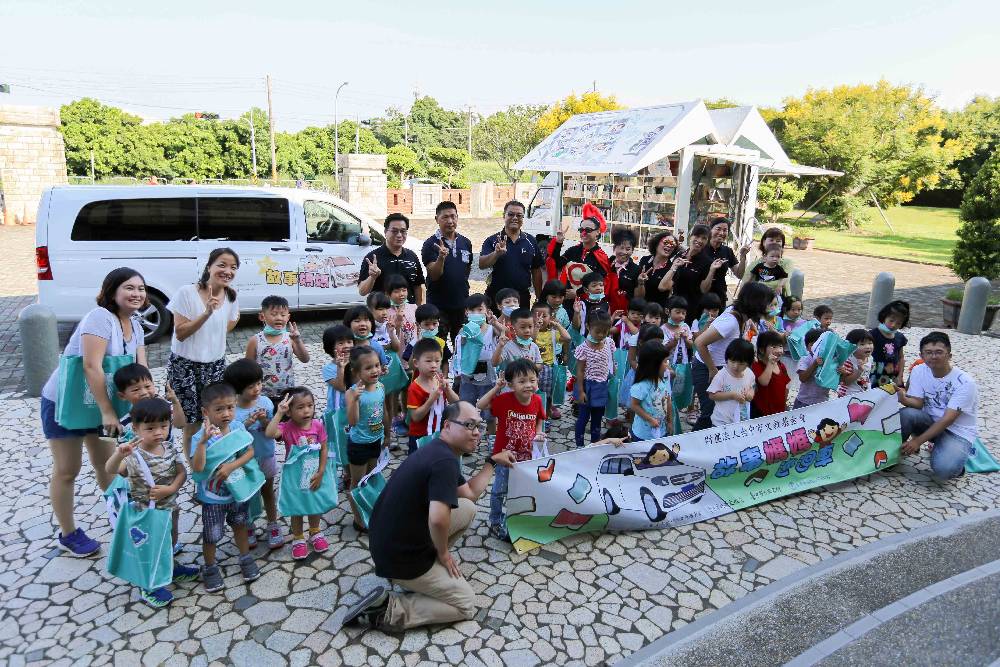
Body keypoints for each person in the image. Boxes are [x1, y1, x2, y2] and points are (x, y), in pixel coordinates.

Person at [344, 401, 516, 631]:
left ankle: (426, 574)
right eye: (468, 425)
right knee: (466, 604)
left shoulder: (440, 450)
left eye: (479, 426)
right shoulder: (444, 461)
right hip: (400, 559)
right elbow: (437, 518)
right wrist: (444, 554)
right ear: (446, 425)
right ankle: (390, 609)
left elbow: (469, 494)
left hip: (391, 544)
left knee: (466, 508)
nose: (476, 432)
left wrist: (492, 462)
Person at [40, 267, 150, 556]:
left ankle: (121, 521)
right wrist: (107, 411)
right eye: (129, 287)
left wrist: (150, 400)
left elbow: (141, 371)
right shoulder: (99, 318)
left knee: (108, 465)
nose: (136, 293)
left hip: (105, 406)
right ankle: (68, 533)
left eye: (141, 288)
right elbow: (91, 366)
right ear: (112, 291)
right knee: (67, 470)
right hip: (67, 402)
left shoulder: (136, 326)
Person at [104, 397, 198, 607]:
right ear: (136, 429)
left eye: (163, 426)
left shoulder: (170, 448)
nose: (158, 432)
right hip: (145, 513)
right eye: (150, 428)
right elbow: (111, 470)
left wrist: (172, 488)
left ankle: (170, 567)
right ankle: (149, 585)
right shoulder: (134, 455)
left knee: (170, 540)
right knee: (150, 546)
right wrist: (119, 454)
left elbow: (182, 472)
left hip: (169, 508)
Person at [168, 248, 241, 454]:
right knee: (190, 423)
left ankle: (213, 457)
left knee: (214, 416)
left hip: (215, 365)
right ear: (209, 266)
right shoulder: (186, 293)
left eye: (233, 267)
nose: (228, 271)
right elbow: (180, 333)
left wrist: (214, 332)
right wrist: (207, 313)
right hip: (185, 366)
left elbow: (232, 320)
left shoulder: (231, 296)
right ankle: (194, 466)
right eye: (222, 265)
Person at [189, 383, 260, 592]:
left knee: (241, 525)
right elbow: (198, 467)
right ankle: (210, 567)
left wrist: (232, 466)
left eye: (230, 407)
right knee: (211, 534)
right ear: (205, 412)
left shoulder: (237, 427)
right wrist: (202, 442)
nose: (226, 413)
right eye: (219, 409)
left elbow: (249, 452)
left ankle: (245, 558)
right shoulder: (199, 437)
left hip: (237, 491)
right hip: (213, 498)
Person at [476, 359, 546, 542]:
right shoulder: (504, 400)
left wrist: (538, 433)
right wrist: (496, 388)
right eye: (522, 381)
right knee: (499, 491)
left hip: (527, 458)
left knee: (521, 491)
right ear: (510, 385)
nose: (528, 385)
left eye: (532, 380)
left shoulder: (538, 401)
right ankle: (495, 521)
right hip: (504, 458)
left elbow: (539, 419)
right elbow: (480, 405)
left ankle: (517, 519)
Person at [898, 332, 979, 481]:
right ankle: (892, 456)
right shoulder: (919, 370)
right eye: (928, 352)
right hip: (929, 422)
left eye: (939, 352)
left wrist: (917, 441)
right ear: (921, 355)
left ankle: (957, 462)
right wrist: (903, 398)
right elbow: (917, 403)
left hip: (956, 432)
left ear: (949, 355)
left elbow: (948, 420)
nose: (933, 356)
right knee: (905, 414)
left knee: (944, 470)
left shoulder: (965, 383)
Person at [691, 282, 772, 429]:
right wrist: (712, 369)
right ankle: (691, 446)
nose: (770, 308)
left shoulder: (743, 316)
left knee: (723, 410)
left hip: (725, 366)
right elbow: (699, 342)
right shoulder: (731, 321)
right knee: (710, 413)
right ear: (756, 303)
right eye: (768, 304)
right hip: (707, 367)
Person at [223, 359, 283, 550]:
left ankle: (273, 523)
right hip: (244, 462)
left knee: (268, 491)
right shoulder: (233, 410)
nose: (257, 389)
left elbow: (271, 431)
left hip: (265, 454)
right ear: (237, 389)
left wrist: (265, 420)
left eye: (259, 383)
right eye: (251, 386)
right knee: (247, 494)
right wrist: (246, 424)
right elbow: (234, 438)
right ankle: (249, 526)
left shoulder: (265, 402)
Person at [265, 388, 331, 559]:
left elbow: (324, 448)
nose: (307, 410)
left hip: (314, 473)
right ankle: (298, 537)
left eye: (310, 405)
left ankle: (315, 531)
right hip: (295, 477)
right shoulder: (286, 428)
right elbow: (269, 433)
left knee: (314, 503)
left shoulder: (318, 425)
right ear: (290, 411)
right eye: (300, 407)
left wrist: (321, 471)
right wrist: (279, 413)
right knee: (297, 507)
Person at [344, 346, 385, 531]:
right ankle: (358, 519)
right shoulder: (352, 393)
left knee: (371, 478)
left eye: (377, 365)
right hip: (359, 444)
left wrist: (388, 434)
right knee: (357, 482)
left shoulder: (381, 386)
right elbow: (352, 421)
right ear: (356, 372)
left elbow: (384, 411)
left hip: (376, 440)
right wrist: (354, 401)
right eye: (368, 368)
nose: (375, 370)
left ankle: (370, 510)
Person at [421, 201, 473, 343]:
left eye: (453, 216)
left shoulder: (466, 242)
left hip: (461, 306)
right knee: (438, 348)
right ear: (437, 219)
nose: (450, 221)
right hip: (439, 307)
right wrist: (441, 258)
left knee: (462, 347)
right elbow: (434, 275)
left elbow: (465, 271)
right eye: (445, 217)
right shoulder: (430, 244)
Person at [244, 295, 309, 407]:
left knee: (284, 420)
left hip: (287, 391)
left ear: (288, 317)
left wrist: (298, 341)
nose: (279, 318)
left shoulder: (290, 338)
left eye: (283, 315)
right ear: (262, 316)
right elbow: (247, 369)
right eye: (274, 314)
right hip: (262, 394)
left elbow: (305, 359)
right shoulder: (255, 340)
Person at [479, 201, 544, 309]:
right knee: (495, 326)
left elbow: (536, 270)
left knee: (521, 326)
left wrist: (538, 298)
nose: (515, 218)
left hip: (521, 298)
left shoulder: (531, 241)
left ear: (523, 218)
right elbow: (482, 264)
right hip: (496, 297)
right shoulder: (493, 240)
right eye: (510, 214)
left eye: (519, 215)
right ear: (503, 216)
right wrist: (496, 253)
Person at [549, 204, 618, 305]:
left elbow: (600, 283)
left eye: (588, 230)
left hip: (589, 303)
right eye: (581, 230)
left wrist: (577, 293)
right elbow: (557, 264)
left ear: (597, 232)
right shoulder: (573, 250)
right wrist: (558, 243)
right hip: (568, 302)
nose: (584, 233)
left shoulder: (601, 257)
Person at [456, 295, 505, 432]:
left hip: (488, 376)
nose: (476, 314)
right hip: (468, 377)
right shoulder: (463, 330)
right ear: (466, 312)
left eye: (479, 309)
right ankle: (468, 435)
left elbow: (504, 333)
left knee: (490, 411)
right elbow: (459, 352)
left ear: (487, 311)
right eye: (472, 311)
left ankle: (491, 435)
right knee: (467, 407)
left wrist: (495, 323)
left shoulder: (491, 329)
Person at [358, 213, 425, 305]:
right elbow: (362, 291)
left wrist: (418, 310)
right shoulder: (373, 258)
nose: (399, 235)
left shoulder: (412, 256)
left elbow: (418, 286)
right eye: (394, 231)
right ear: (385, 232)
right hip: (383, 314)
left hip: (407, 313)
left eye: (403, 231)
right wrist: (372, 277)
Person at [407, 338, 459, 453]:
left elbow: (456, 402)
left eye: (437, 361)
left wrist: (448, 389)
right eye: (429, 361)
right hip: (420, 436)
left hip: (440, 433)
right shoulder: (414, 388)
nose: (434, 365)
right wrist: (431, 400)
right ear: (416, 363)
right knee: (419, 467)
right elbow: (415, 417)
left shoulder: (438, 380)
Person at [574, 311, 616, 448]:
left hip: (602, 385)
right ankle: (579, 446)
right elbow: (579, 371)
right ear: (587, 326)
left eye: (605, 331)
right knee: (583, 417)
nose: (601, 335)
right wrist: (580, 391)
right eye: (598, 331)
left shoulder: (609, 343)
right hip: (587, 386)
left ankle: (595, 445)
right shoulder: (583, 348)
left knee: (597, 418)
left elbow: (612, 361)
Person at [659, 224, 714, 323]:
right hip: (674, 306)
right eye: (697, 236)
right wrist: (674, 267)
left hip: (692, 309)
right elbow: (666, 285)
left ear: (707, 242)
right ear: (690, 236)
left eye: (704, 238)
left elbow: (704, 289)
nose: (700, 240)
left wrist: (712, 271)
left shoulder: (707, 262)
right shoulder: (680, 255)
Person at [532, 302, 570, 419]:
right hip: (532, 368)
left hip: (548, 368)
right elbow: (531, 340)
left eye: (544, 316)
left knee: (547, 396)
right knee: (532, 395)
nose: (541, 319)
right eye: (537, 316)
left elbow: (568, 338)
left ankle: (545, 416)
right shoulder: (531, 331)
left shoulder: (553, 333)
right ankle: (532, 415)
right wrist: (537, 327)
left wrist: (557, 325)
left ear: (550, 317)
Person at [702, 217, 751, 308]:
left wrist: (743, 257)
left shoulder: (727, 251)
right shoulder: (701, 248)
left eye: (725, 230)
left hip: (719, 298)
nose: (721, 233)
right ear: (710, 230)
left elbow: (739, 274)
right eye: (718, 229)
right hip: (700, 297)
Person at [707, 339, 756, 427]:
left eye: (741, 363)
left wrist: (750, 394)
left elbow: (751, 387)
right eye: (732, 361)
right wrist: (732, 395)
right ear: (727, 359)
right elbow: (712, 395)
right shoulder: (722, 375)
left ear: (748, 363)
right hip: (721, 422)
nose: (735, 366)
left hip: (742, 420)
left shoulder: (749, 373)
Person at [629, 341, 672, 441]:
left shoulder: (663, 380)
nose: (667, 365)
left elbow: (668, 400)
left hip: (661, 430)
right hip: (643, 434)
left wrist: (670, 421)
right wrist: (650, 419)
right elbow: (634, 405)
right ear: (653, 364)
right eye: (665, 362)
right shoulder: (641, 386)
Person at [736, 227, 795, 294]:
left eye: (778, 241)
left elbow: (785, 278)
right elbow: (744, 283)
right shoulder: (755, 264)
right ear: (764, 242)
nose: (774, 243)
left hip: (782, 299)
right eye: (771, 240)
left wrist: (778, 285)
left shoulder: (787, 263)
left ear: (782, 244)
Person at [635, 230, 682, 308]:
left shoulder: (673, 268)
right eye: (666, 242)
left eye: (672, 245)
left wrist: (673, 268)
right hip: (641, 310)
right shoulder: (645, 260)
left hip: (658, 313)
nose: (669, 246)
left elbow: (662, 288)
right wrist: (641, 283)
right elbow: (638, 297)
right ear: (656, 243)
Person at [870, 300, 910, 387]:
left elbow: (901, 357)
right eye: (891, 320)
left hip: (894, 375)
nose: (893, 325)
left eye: (898, 323)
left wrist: (900, 376)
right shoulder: (873, 334)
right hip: (876, 374)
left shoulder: (899, 337)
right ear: (884, 317)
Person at [751, 330, 790, 417]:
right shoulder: (757, 365)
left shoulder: (781, 365)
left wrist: (784, 405)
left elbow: (785, 386)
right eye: (774, 347)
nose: (779, 350)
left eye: (780, 346)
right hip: (762, 412)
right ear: (761, 350)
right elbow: (764, 382)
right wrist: (770, 363)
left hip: (779, 409)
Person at [493, 307, 542, 373]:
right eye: (523, 327)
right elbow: (494, 363)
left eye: (530, 326)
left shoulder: (534, 346)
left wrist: (531, 365)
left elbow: (539, 365)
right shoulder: (507, 347)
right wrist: (500, 346)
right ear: (512, 328)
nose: (527, 330)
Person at [794, 328, 829, 409]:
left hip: (823, 401)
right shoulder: (805, 359)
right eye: (813, 345)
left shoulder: (829, 361)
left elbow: (836, 380)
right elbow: (802, 378)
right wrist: (814, 364)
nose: (817, 348)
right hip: (804, 401)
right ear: (807, 347)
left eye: (821, 344)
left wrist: (840, 371)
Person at [609, 229, 640, 314]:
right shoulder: (606, 264)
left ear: (632, 250)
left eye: (628, 249)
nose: (624, 252)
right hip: (606, 310)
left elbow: (637, 297)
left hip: (625, 312)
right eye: (621, 248)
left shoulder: (636, 269)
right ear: (614, 248)